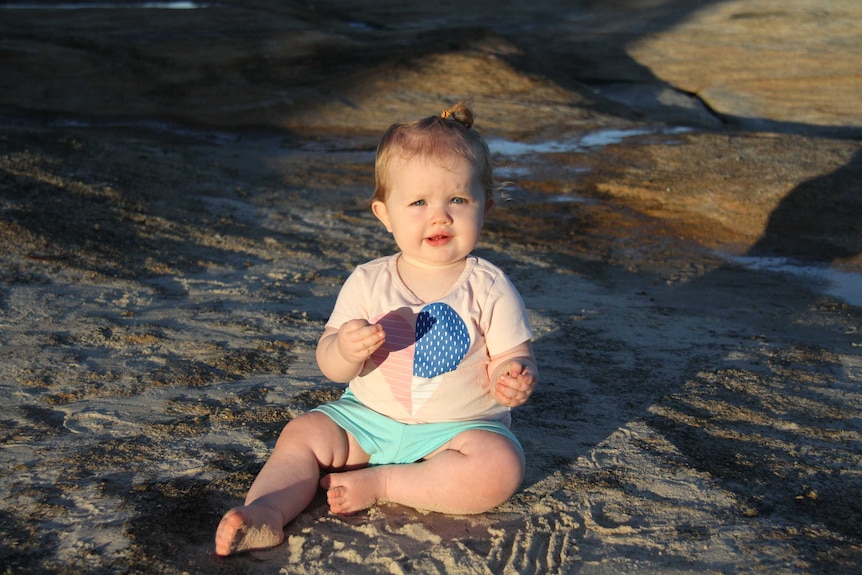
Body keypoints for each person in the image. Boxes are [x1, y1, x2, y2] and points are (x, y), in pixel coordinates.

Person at [215, 101, 538, 556]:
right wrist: (345, 349)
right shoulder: (369, 280)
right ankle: (266, 512)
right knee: (303, 434)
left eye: (458, 200)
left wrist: (513, 376)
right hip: (367, 421)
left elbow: (514, 353)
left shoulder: (489, 286)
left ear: (486, 204)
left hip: (459, 429)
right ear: (384, 214)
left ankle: (387, 482)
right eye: (419, 202)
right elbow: (331, 366)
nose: (440, 216)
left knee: (500, 467)